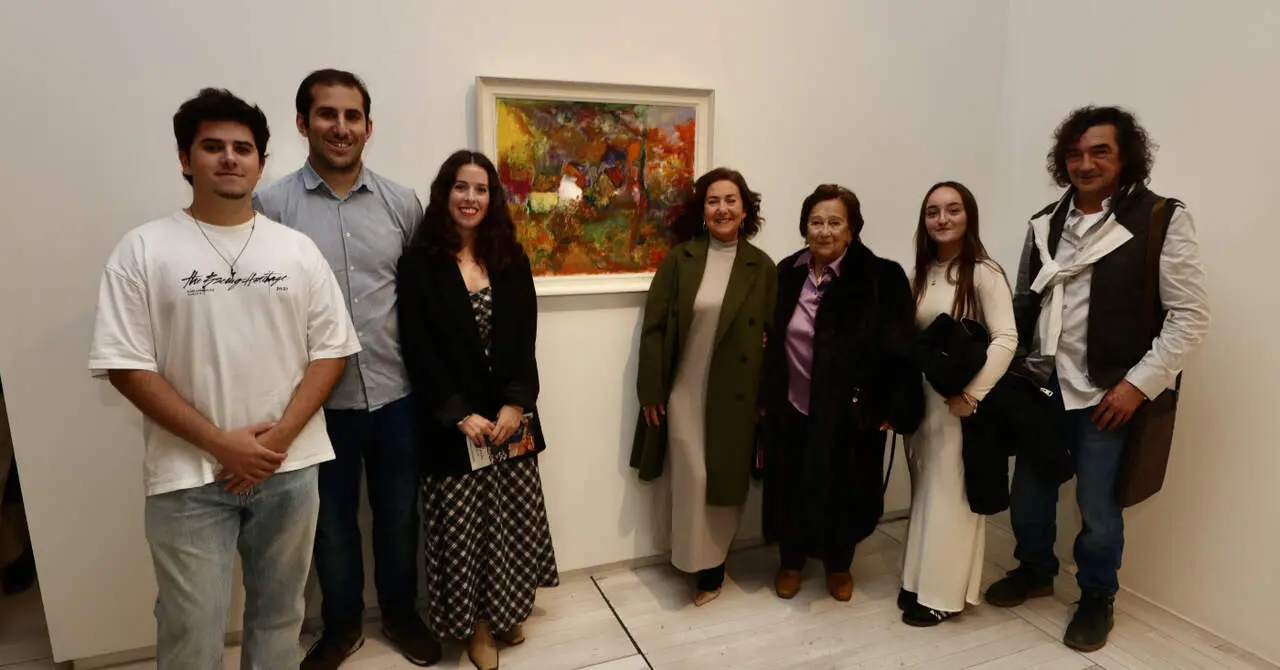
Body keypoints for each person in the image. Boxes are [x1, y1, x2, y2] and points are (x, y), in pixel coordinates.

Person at [88, 88, 360, 669]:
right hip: (188, 476)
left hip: (289, 469)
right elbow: (125, 365)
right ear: (186, 159)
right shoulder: (143, 249)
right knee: (191, 628)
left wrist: (275, 441)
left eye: (243, 148)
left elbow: (332, 352)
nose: (230, 158)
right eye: (213, 147)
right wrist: (222, 444)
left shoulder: (297, 250)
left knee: (281, 615)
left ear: (262, 162)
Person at [984, 106, 1210, 652]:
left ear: (1125, 155)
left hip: (1108, 391)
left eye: (1099, 152)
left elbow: (1190, 315)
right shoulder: (1046, 221)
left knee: (1099, 506)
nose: (1085, 164)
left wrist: (1138, 384)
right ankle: (1035, 569)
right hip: (1042, 385)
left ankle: (1096, 596)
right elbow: (1024, 300)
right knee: (1030, 492)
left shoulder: (1160, 217)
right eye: (1075, 154)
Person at [253, 69, 439, 667]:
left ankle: (402, 615)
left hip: (396, 397)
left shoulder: (400, 202)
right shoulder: (270, 206)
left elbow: (421, 297)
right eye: (327, 115)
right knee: (329, 527)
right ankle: (342, 626)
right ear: (303, 123)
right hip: (314, 407)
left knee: (397, 517)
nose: (341, 127)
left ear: (368, 126)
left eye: (352, 116)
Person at [396, 150, 559, 670]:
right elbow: (416, 348)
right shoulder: (420, 263)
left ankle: (508, 611)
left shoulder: (510, 257)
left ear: (493, 198)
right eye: (461, 188)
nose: (471, 198)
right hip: (453, 424)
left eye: (482, 189)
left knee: (509, 523)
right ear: (445, 194)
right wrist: (458, 413)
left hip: (509, 421)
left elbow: (526, 338)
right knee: (464, 531)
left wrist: (516, 403)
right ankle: (479, 627)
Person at [761, 184, 923, 602]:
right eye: (816, 222)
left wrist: (891, 404)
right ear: (804, 227)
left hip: (851, 410)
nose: (825, 231)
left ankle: (838, 564)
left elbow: (901, 347)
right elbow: (767, 335)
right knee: (790, 484)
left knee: (845, 489)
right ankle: (791, 561)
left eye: (835, 222)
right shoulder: (786, 272)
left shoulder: (881, 278)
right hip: (792, 404)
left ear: (852, 230)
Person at [629, 167, 777, 607]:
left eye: (731, 200)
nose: (722, 208)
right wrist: (650, 390)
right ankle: (695, 561)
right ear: (703, 210)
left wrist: (765, 397)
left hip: (735, 392)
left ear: (744, 208)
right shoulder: (680, 260)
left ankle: (713, 566)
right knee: (692, 478)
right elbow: (654, 329)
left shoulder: (762, 266)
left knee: (722, 482)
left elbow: (774, 335)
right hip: (683, 390)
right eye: (713, 201)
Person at [899, 182, 1017, 626]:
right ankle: (917, 581)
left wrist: (973, 396)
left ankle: (943, 595)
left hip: (961, 405)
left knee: (953, 497)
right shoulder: (923, 271)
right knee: (927, 492)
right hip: (924, 404)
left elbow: (1008, 339)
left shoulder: (984, 272)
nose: (942, 219)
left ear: (969, 216)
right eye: (933, 211)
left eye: (952, 209)